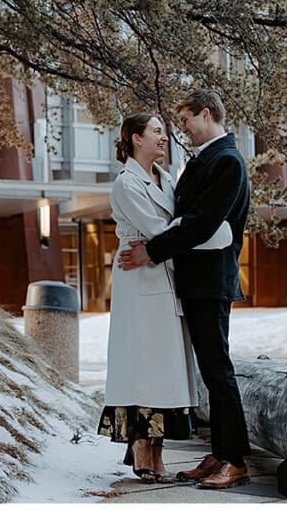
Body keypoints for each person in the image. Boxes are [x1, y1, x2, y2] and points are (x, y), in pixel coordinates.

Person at [118, 89, 252, 490]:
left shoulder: (226, 160)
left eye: (185, 120)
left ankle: (235, 460)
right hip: (194, 281)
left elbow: (203, 225)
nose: (181, 130)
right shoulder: (206, 159)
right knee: (210, 372)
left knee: (218, 370)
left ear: (206, 114)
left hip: (211, 282)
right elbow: (185, 217)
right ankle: (220, 453)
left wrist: (152, 252)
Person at [96, 112, 199, 483]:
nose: (165, 136)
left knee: (164, 366)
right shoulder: (127, 182)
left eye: (166, 131)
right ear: (136, 139)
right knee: (142, 363)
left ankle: (157, 448)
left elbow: (167, 234)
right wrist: (193, 229)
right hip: (138, 278)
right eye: (157, 131)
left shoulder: (166, 178)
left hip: (163, 274)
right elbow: (160, 229)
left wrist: (182, 232)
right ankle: (141, 444)